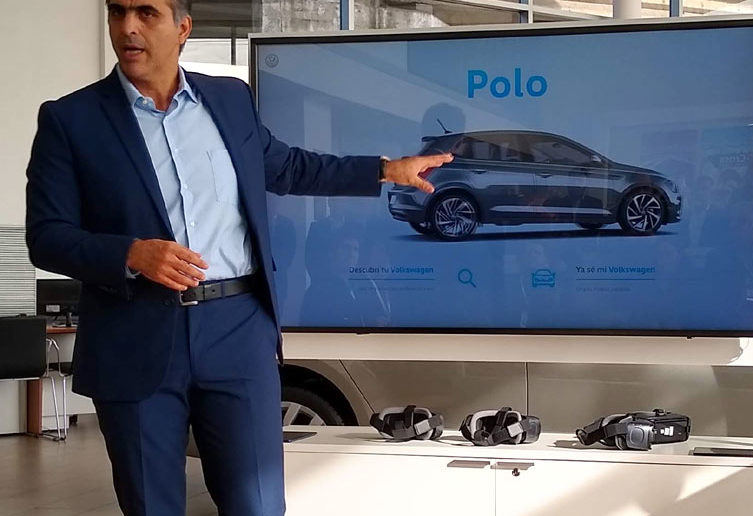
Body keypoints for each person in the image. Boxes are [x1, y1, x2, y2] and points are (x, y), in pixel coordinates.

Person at [23, 1, 452, 515]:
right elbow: (47, 236)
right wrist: (131, 253)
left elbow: (290, 168)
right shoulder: (71, 120)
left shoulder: (229, 99)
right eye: (118, 12)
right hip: (135, 334)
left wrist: (385, 170)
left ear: (183, 28)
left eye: (146, 13)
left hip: (237, 330)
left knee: (259, 504)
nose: (128, 27)